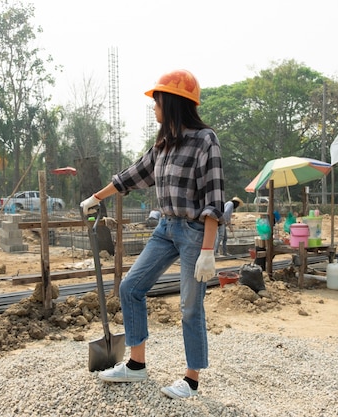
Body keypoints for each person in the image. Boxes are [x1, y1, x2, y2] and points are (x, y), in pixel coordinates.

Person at [80, 69, 224, 399]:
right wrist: (96, 197)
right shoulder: (162, 144)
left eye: (157, 102)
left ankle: (191, 380)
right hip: (165, 228)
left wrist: (208, 249)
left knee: (190, 305)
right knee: (131, 287)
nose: (154, 108)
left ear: (173, 103)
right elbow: (132, 175)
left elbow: (214, 199)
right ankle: (136, 365)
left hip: (193, 232)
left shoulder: (205, 141)